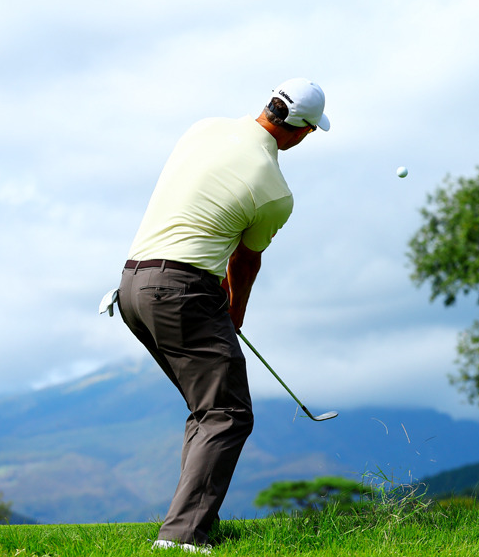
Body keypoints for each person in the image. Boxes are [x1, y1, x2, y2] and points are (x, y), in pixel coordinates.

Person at [115, 78, 329, 553]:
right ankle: (182, 537)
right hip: (180, 291)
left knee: (208, 408)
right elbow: (244, 261)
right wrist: (234, 312)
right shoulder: (275, 190)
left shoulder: (204, 127)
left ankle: (188, 523)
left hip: (130, 285)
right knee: (228, 413)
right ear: (302, 131)